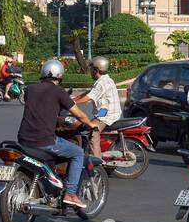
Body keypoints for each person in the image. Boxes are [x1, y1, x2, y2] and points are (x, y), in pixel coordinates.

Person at [17, 58, 98, 209]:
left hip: (23, 140)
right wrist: (91, 124)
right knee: (78, 153)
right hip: (45, 141)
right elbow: (79, 115)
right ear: (60, 76)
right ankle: (71, 194)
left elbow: (41, 108)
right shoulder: (59, 92)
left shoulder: (30, 89)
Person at [75, 55, 121, 158]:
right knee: (85, 126)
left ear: (96, 70)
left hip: (107, 115)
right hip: (104, 113)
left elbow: (89, 97)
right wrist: (73, 99)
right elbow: (88, 93)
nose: (90, 71)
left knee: (93, 132)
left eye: (91, 69)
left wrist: (72, 104)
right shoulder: (102, 81)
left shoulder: (102, 83)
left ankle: (97, 163)